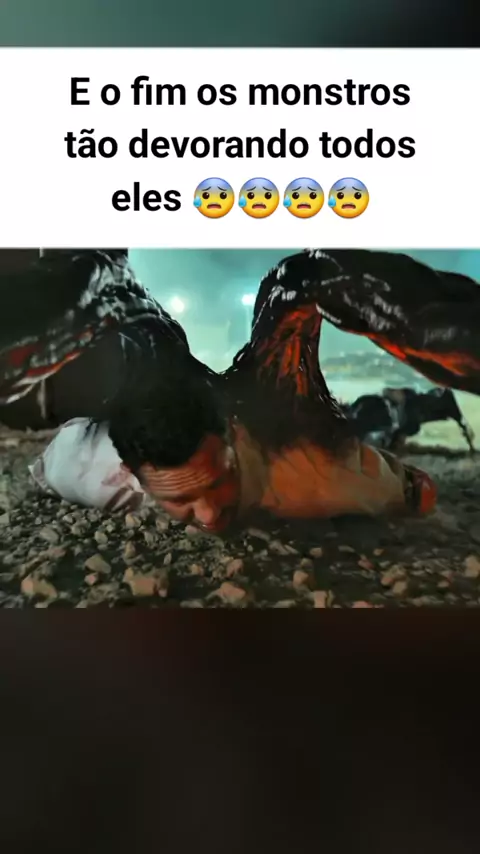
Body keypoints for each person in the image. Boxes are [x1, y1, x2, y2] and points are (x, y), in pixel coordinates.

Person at [4, 246, 466, 532]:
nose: (209, 516)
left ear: (235, 439)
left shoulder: (314, 465)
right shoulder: (82, 467)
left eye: (220, 482)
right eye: (181, 501)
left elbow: (307, 281)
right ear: (133, 474)